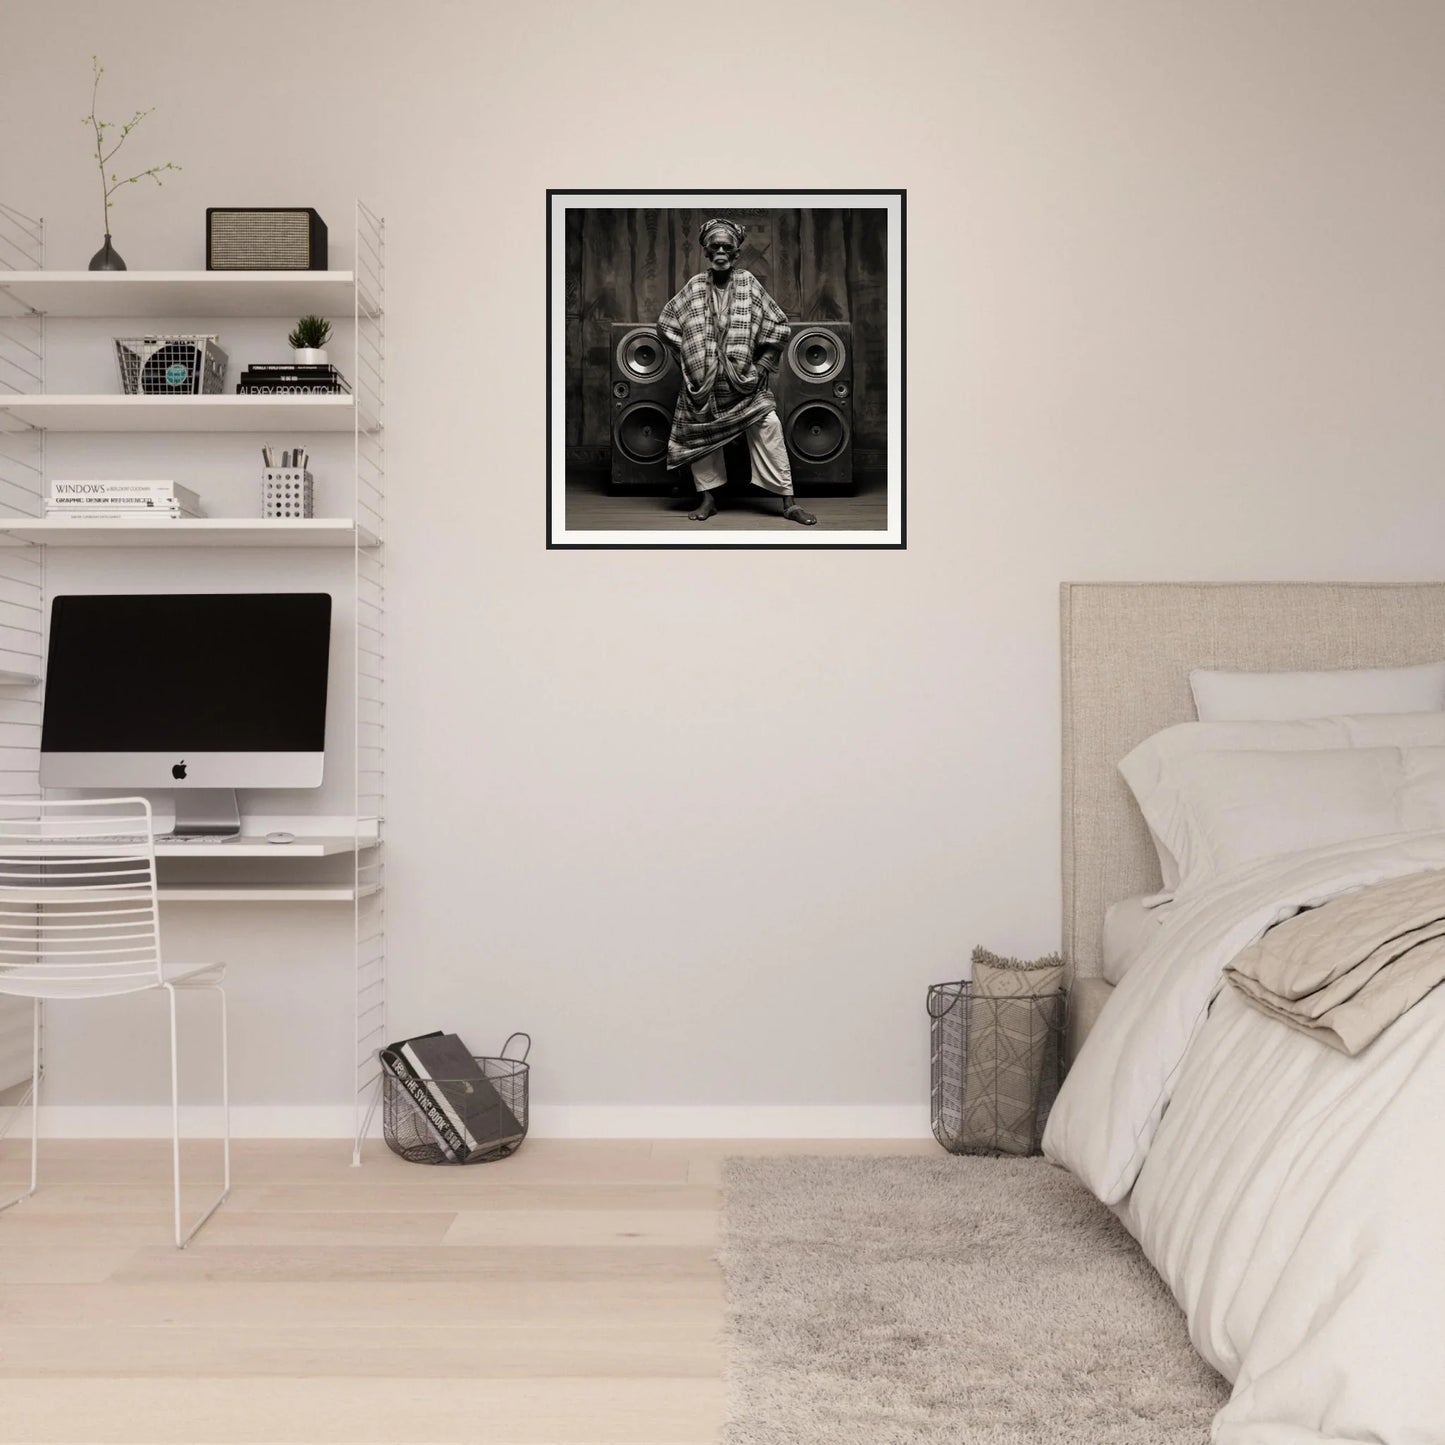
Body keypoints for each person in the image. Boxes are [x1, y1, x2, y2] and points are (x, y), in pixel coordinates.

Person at [657, 218, 817, 525]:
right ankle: (708, 499)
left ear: (736, 253)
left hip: (746, 387)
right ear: (705, 251)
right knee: (699, 436)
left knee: (769, 425)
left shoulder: (748, 284)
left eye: (726, 247)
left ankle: (788, 502)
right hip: (701, 391)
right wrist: (692, 357)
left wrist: (761, 366)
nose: (720, 251)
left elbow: (779, 326)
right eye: (714, 246)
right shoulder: (693, 287)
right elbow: (667, 323)